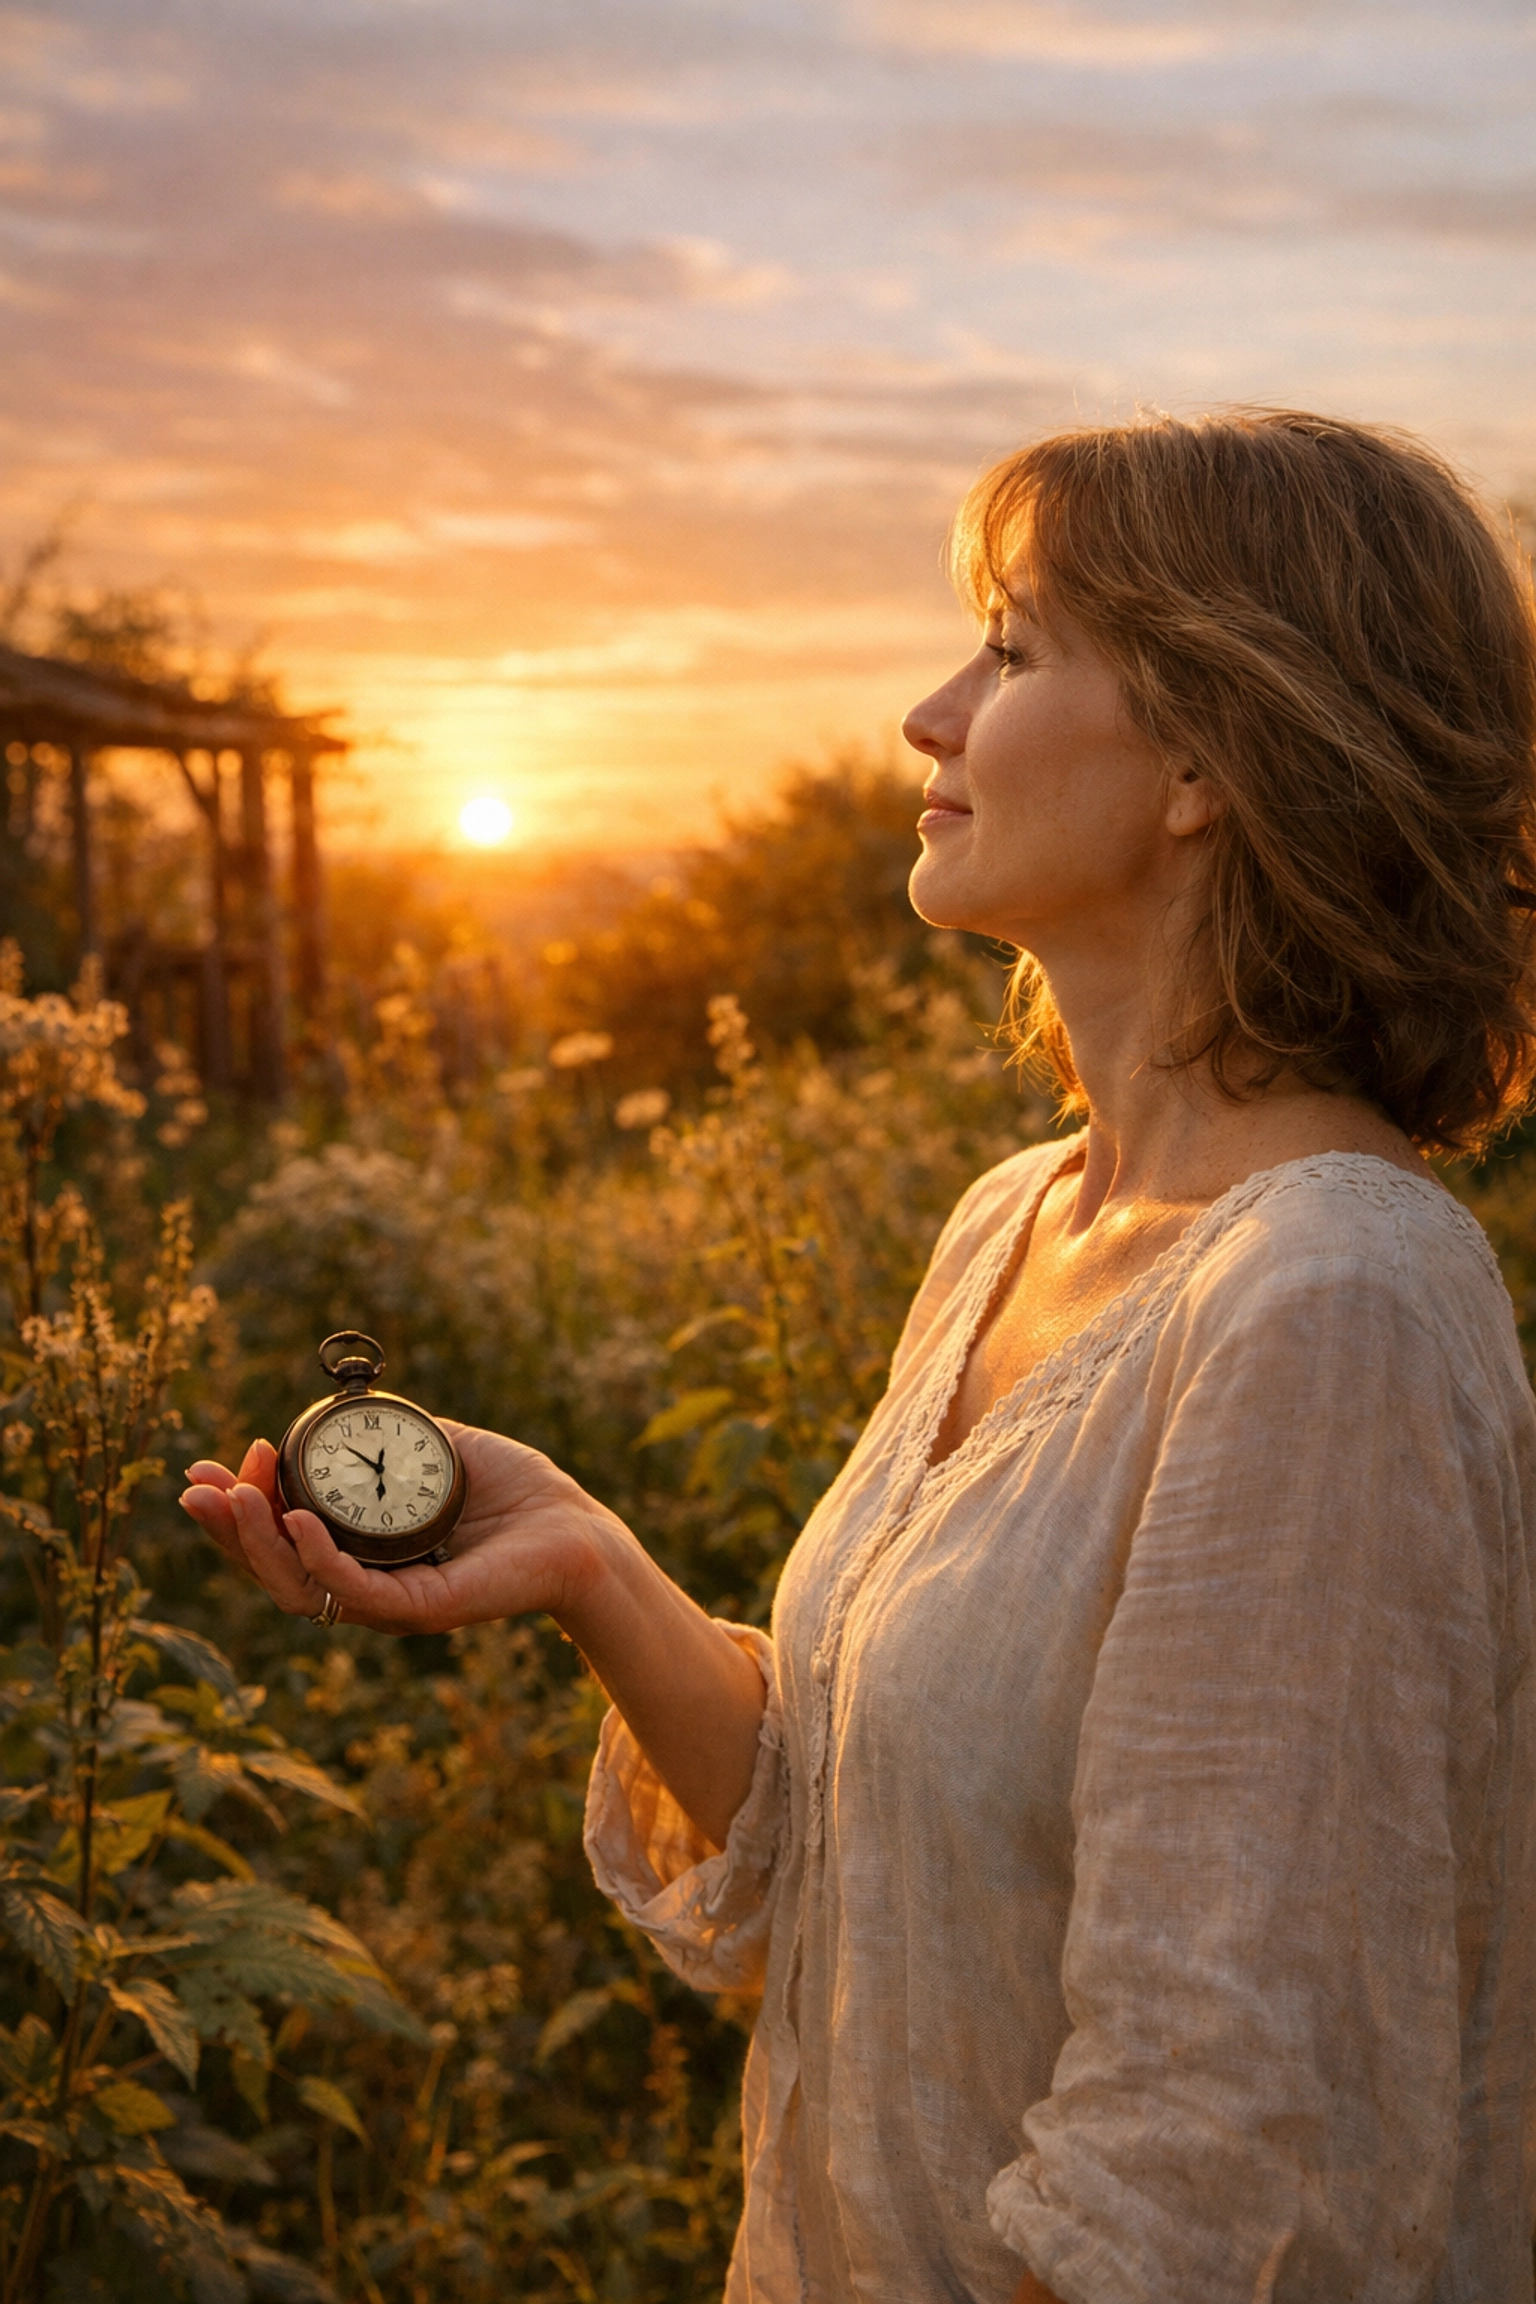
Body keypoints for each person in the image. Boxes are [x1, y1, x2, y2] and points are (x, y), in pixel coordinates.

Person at [183, 409, 1536, 2304]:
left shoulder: (1329, 1309)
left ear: (1210, 760)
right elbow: (845, 1883)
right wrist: (588, 1556)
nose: (926, 712)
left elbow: (1220, 2174)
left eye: (1012, 647)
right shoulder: (1017, 1218)